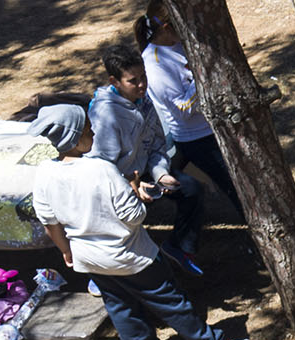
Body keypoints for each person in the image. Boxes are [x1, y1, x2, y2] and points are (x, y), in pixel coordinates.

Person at [31, 113, 251, 340]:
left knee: (121, 307)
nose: (94, 134)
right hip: (130, 255)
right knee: (171, 302)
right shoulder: (101, 169)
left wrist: (66, 249)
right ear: (75, 138)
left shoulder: (44, 172)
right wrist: (134, 189)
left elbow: (49, 221)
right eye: (88, 129)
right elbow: (134, 216)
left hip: (88, 258)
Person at [87, 43, 206, 274]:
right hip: (117, 185)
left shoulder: (144, 100)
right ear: (115, 82)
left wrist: (160, 173)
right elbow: (101, 169)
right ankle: (102, 273)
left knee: (192, 190)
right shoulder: (105, 115)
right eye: (133, 81)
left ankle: (179, 247)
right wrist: (131, 186)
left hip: (142, 174)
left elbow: (156, 145)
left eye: (144, 77)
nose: (142, 85)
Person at [135, 4, 244, 217]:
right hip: (198, 138)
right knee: (238, 188)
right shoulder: (155, 64)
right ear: (166, 27)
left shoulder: (177, 44)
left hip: (214, 126)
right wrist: (203, 75)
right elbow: (182, 109)